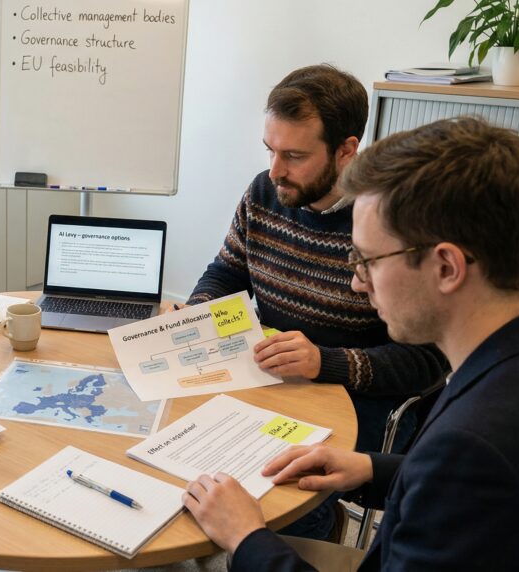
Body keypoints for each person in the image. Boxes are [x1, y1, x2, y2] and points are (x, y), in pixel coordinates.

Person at [183, 116, 519, 570]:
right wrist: (371, 470)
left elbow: (459, 475)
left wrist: (247, 538)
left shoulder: (472, 449)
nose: (358, 284)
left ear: (447, 268)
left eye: (368, 260)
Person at [183, 64, 448, 540]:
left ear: (347, 149)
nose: (275, 170)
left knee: (268, 478)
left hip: (361, 403)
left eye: (294, 155)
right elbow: (227, 271)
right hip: (277, 381)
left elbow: (428, 361)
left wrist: (324, 362)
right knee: (184, 436)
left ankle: (316, 529)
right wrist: (200, 308)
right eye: (270, 150)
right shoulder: (266, 192)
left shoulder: (392, 220)